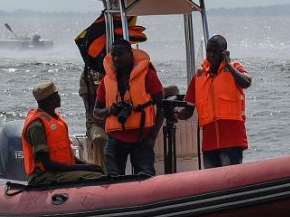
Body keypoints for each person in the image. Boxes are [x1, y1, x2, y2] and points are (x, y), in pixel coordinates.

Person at [178, 34, 252, 168]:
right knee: (214, 183)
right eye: (209, 51)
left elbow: (247, 82)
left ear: (224, 52)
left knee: (232, 181)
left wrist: (228, 65)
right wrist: (174, 115)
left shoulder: (235, 68)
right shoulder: (199, 77)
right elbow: (188, 110)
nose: (211, 55)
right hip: (209, 143)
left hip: (232, 140)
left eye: (216, 52)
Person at [93, 40, 165, 176]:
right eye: (113, 55)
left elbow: (162, 107)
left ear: (130, 55)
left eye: (121, 54)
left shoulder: (148, 76)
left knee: (146, 177)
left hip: (142, 138)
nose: (116, 58)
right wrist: (110, 110)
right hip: (115, 139)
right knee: (113, 179)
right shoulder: (106, 81)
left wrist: (152, 137)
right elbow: (96, 112)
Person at [21, 80, 104, 186]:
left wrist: (86, 164)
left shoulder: (54, 118)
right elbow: (47, 164)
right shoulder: (37, 126)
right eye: (56, 95)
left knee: (97, 171)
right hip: (44, 176)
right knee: (97, 178)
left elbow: (67, 154)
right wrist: (84, 167)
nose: (59, 97)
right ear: (49, 99)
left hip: (59, 171)